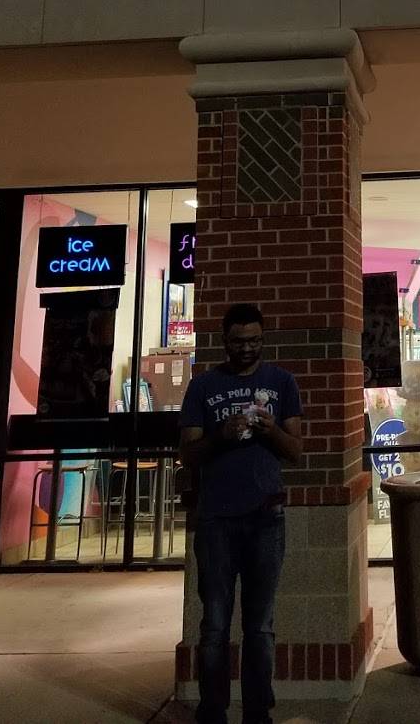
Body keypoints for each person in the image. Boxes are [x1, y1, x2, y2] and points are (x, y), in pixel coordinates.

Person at [180, 304, 303, 724]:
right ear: (224, 341)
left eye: (254, 341)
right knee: (214, 624)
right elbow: (188, 454)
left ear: (263, 339)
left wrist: (270, 430)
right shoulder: (203, 386)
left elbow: (296, 450)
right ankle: (212, 710)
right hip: (215, 519)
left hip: (267, 518)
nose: (247, 348)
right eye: (238, 341)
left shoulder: (282, 382)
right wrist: (222, 434)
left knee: (260, 625)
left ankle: (257, 712)